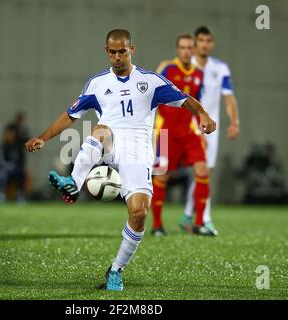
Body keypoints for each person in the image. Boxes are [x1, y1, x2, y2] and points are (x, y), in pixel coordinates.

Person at [25, 29, 216, 291]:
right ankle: (74, 182)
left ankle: (116, 269)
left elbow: (186, 101)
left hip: (138, 151)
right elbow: (71, 115)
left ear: (132, 50)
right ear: (106, 52)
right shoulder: (97, 83)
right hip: (110, 142)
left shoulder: (150, 81)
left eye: (122, 51)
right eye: (112, 52)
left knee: (139, 214)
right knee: (100, 129)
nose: (117, 57)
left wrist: (203, 114)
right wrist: (44, 138)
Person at [151, 34, 215, 237]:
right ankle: (157, 225)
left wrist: (201, 128)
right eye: (182, 47)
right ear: (177, 49)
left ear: (194, 50)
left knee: (203, 171)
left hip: (190, 131)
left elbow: (196, 104)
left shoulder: (199, 73)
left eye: (189, 47)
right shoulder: (167, 69)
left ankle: (198, 224)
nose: (186, 51)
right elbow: (150, 93)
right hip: (167, 132)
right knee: (162, 176)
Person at [181, 26, 240, 234]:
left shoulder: (220, 68)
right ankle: (202, 219)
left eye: (208, 40)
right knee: (171, 172)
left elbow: (229, 97)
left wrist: (235, 122)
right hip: (188, 126)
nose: (204, 44)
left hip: (211, 127)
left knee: (205, 172)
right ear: (195, 43)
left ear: (212, 43)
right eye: (201, 40)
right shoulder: (185, 66)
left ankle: (189, 215)